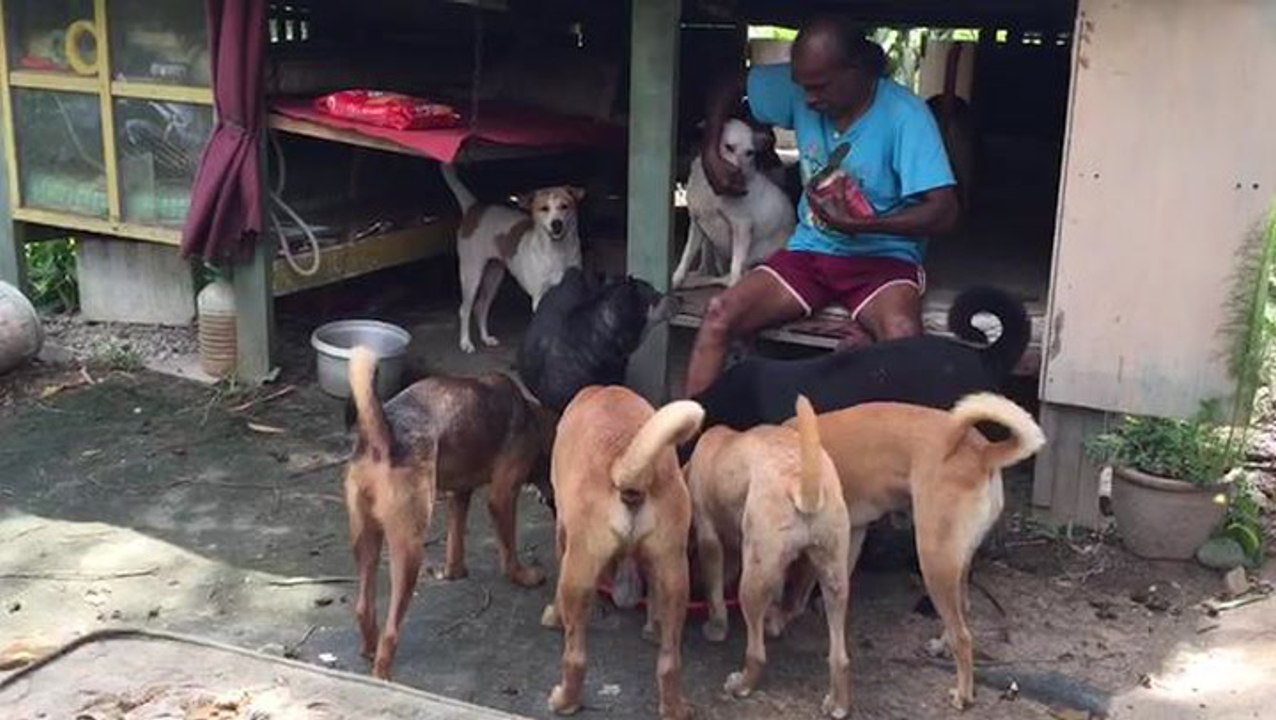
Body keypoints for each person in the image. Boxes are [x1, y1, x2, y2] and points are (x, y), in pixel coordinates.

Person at [683, 16, 960, 398]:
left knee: (902, 340)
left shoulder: (906, 116)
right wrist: (711, 148)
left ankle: (892, 450)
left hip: (882, 261)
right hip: (809, 253)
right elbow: (729, 83)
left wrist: (861, 226)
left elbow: (944, 212)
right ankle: (689, 445)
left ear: (857, 71)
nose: (809, 99)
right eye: (803, 87)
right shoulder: (804, 89)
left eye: (820, 87)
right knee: (718, 316)